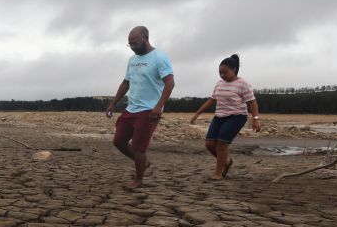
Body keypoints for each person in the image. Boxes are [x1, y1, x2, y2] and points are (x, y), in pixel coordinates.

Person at [105, 26, 175, 189]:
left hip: (149, 110)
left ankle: (138, 179)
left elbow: (170, 83)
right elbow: (126, 83)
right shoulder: (132, 60)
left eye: (135, 43)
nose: (133, 47)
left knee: (138, 146)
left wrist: (159, 106)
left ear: (145, 38)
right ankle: (143, 163)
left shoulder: (159, 57)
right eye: (130, 44)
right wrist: (113, 103)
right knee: (119, 141)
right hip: (132, 108)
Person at [189, 54, 261, 180]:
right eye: (220, 73)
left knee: (222, 144)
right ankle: (226, 162)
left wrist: (255, 119)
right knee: (209, 144)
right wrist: (197, 113)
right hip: (219, 116)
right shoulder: (219, 84)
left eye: (225, 72)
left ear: (234, 69)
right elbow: (211, 100)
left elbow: (252, 102)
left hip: (236, 117)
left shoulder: (243, 84)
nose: (222, 75)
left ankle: (218, 173)